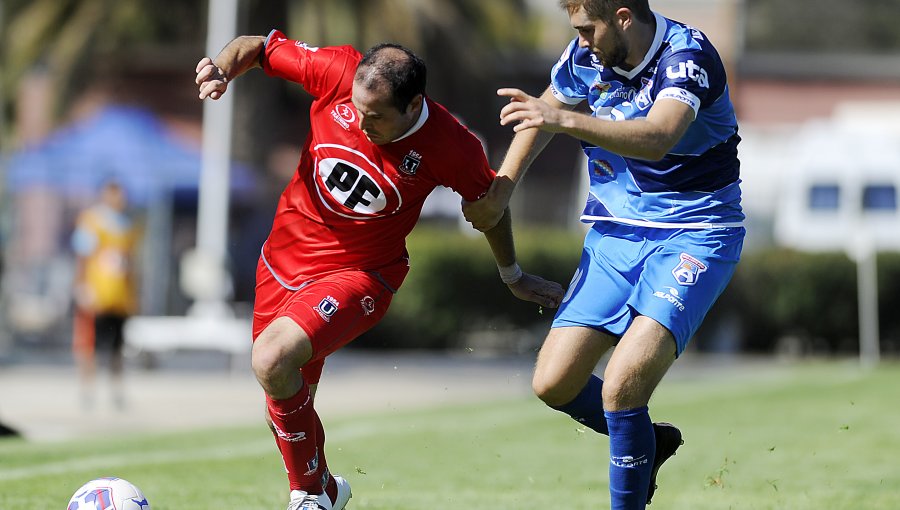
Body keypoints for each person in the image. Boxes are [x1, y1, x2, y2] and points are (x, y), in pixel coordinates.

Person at [195, 31, 564, 510]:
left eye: (376, 116)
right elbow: (256, 48)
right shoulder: (335, 71)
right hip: (280, 266)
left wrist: (512, 274)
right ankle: (326, 488)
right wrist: (223, 68)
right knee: (284, 392)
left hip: (361, 274)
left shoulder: (452, 146)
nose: (362, 122)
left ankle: (307, 497)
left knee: (271, 360)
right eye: (356, 109)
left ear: (413, 107)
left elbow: (489, 210)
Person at [463, 1, 745, 508]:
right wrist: (502, 188)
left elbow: (658, 138)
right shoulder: (587, 56)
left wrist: (563, 119)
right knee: (554, 383)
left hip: (696, 233)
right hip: (615, 237)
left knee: (621, 387)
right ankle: (647, 441)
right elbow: (543, 115)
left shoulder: (688, 55)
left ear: (621, 16)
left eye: (587, 28)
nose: (582, 39)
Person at [71, 180, 139, 410]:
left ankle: (117, 391)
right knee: (89, 345)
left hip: (118, 297)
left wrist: (132, 293)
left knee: (117, 347)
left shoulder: (126, 225)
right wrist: (82, 286)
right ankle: (87, 390)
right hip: (97, 294)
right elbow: (82, 255)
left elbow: (129, 263)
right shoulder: (92, 222)